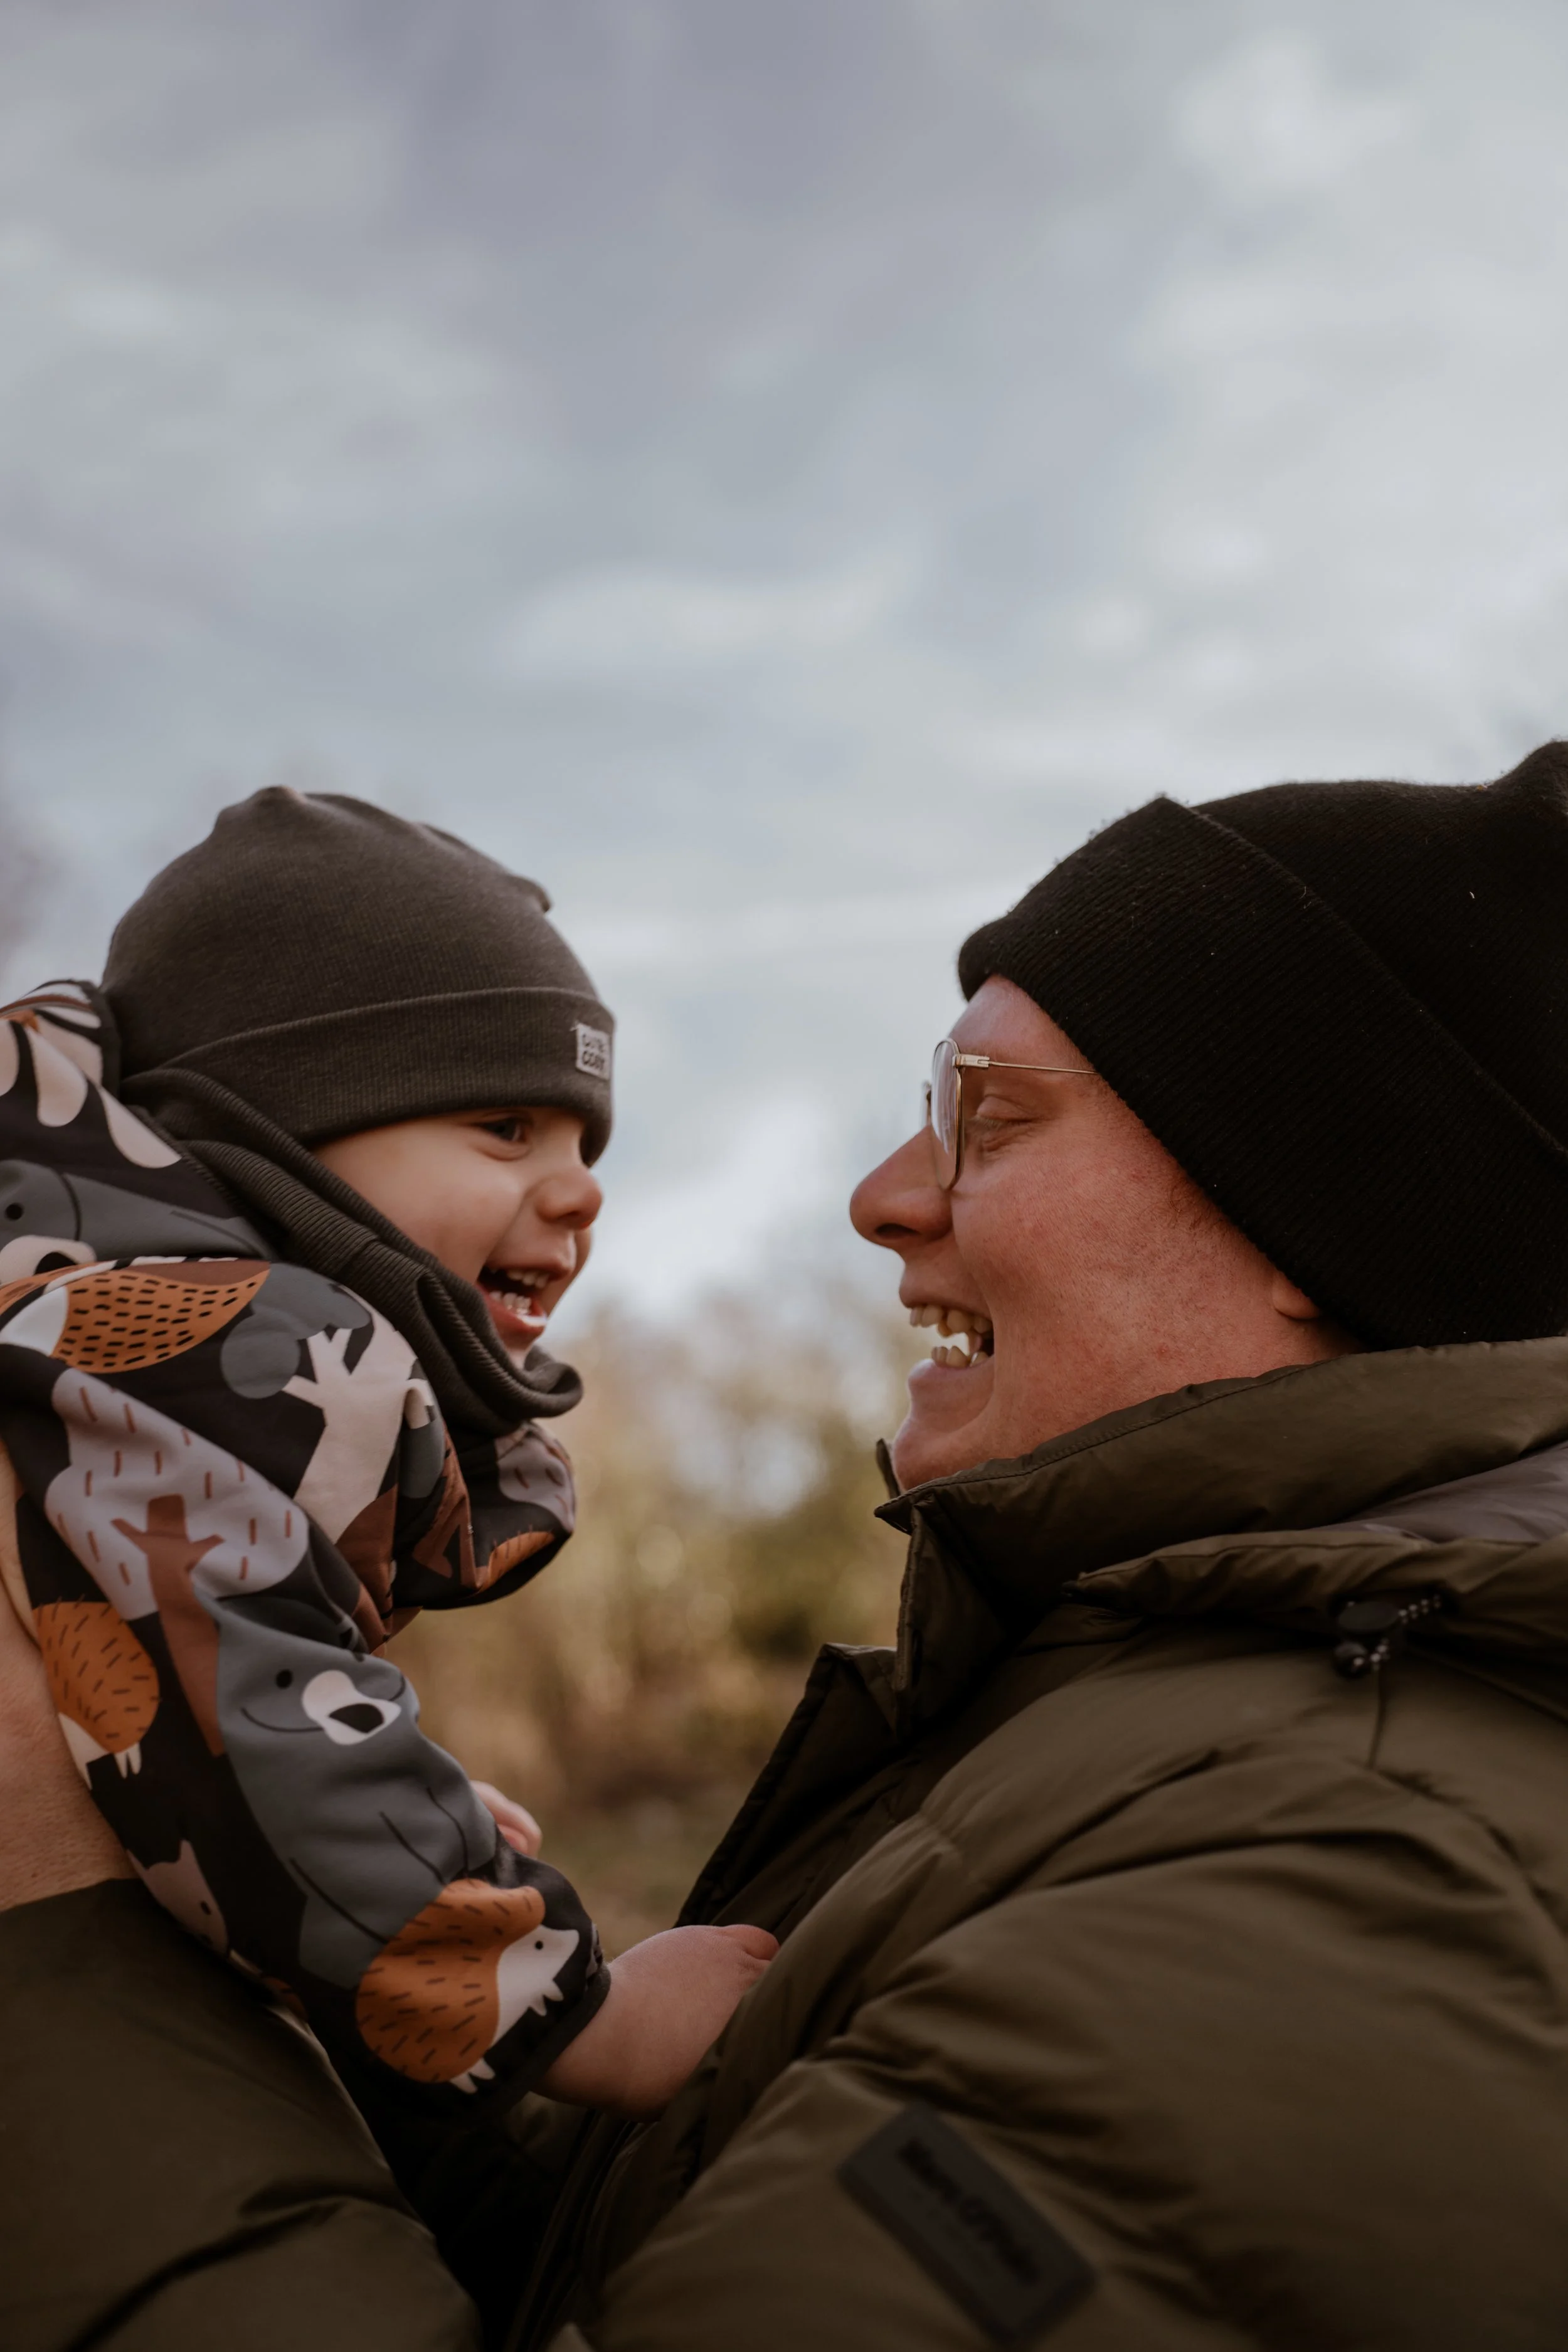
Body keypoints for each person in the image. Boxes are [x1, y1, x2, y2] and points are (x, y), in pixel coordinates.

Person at [6, 745, 1568, 2351]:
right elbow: (619, 2252)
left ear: (1312, 1204)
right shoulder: (1115, 1716)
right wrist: (354, 1899)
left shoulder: (1354, 1856)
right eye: (500, 1126)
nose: (881, 1197)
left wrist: (56, 1943)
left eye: (988, 1119)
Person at [0, 789, 774, 2157]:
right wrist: (575, 2013)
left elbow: (194, 1696)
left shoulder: (127, 1349)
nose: (584, 1186)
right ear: (283, 1130)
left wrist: (352, 1773)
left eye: (587, 1139)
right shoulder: (194, 1340)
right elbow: (235, 1737)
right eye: (503, 1127)